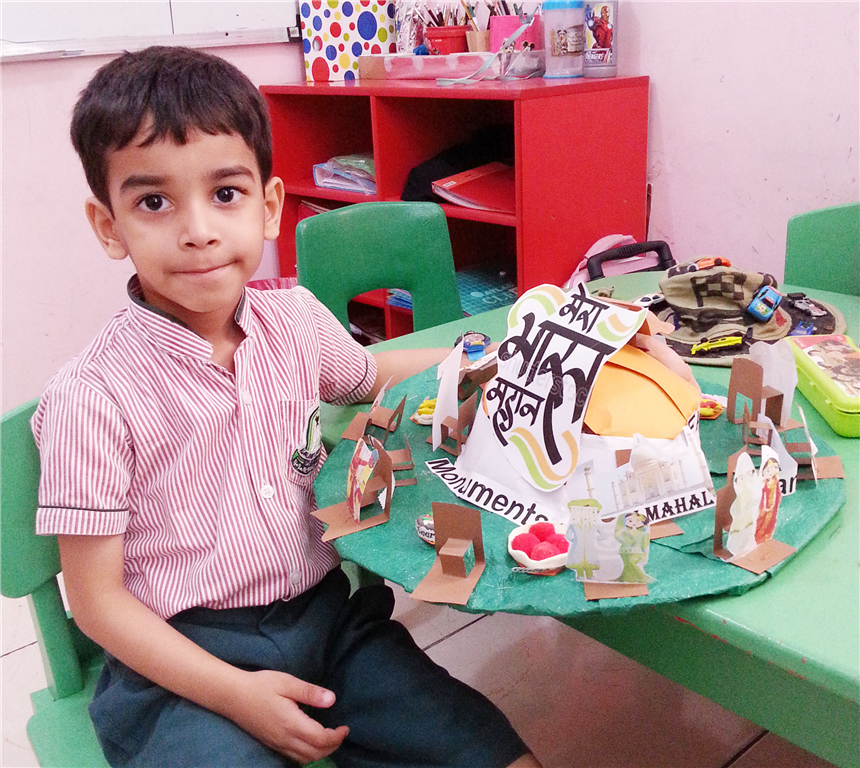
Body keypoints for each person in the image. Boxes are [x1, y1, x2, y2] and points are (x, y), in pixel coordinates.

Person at [31, 46, 541, 768]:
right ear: (109, 225)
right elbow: (97, 603)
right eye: (153, 202)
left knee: (490, 751)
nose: (199, 229)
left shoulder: (295, 321)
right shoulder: (92, 398)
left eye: (225, 193)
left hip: (330, 626)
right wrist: (236, 696)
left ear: (268, 207)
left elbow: (372, 374)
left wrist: (498, 354)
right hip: (180, 664)